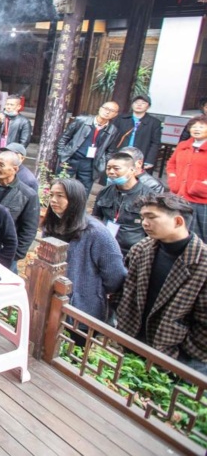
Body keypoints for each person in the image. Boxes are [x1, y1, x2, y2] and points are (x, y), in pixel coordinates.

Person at [116, 194, 207, 373]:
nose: (144, 223)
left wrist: (182, 353)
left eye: (151, 217)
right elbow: (124, 292)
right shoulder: (141, 249)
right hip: (132, 341)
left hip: (175, 356)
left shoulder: (202, 262)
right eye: (143, 217)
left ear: (178, 221)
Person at [43, 179, 126, 334]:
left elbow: (115, 275)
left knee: (75, 345)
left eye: (60, 196)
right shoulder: (52, 225)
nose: (53, 200)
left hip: (83, 308)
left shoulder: (96, 233)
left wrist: (90, 289)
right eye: (52, 195)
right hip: (50, 300)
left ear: (75, 199)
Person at [92, 152, 156, 257]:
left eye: (116, 168)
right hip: (104, 245)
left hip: (132, 251)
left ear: (132, 170)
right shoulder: (104, 192)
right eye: (108, 168)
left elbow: (153, 228)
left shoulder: (148, 196)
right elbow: (96, 217)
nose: (111, 172)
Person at [0, 149, 40, 269]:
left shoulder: (28, 195)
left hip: (5, 253)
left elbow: (29, 229)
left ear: (15, 169)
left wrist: (15, 255)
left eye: (1, 165)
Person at [57, 101, 121, 195]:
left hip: (90, 164)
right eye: (106, 108)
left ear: (115, 114)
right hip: (71, 159)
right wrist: (62, 155)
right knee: (61, 187)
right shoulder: (81, 120)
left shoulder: (113, 130)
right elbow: (64, 138)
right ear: (100, 108)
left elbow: (110, 151)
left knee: (83, 192)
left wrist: (102, 164)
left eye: (111, 111)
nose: (107, 112)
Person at [166, 115, 207, 242]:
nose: (196, 129)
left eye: (201, 127)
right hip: (179, 196)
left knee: (199, 237)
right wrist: (173, 180)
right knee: (176, 232)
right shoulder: (183, 145)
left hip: (201, 199)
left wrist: (202, 185)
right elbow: (171, 164)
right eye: (194, 126)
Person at [112, 94, 162, 172]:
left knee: (136, 177)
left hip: (140, 157)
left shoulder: (154, 123)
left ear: (148, 106)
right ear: (132, 105)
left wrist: (149, 160)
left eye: (143, 103)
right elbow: (112, 137)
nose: (139, 105)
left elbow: (155, 143)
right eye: (136, 102)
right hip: (120, 154)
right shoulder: (121, 119)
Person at [0, 94, 31, 163]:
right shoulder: (1, 116)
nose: (8, 107)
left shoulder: (24, 121)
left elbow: (24, 142)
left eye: (11, 105)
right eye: (7, 104)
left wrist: (16, 153)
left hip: (11, 154)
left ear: (18, 107)